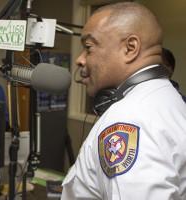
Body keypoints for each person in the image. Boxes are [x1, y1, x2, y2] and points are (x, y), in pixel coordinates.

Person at [61, 2, 186, 200]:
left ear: (130, 48)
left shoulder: (129, 119)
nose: (80, 59)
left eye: (88, 47)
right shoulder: (168, 100)